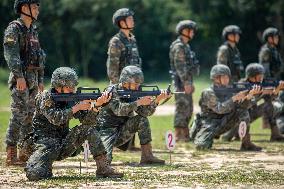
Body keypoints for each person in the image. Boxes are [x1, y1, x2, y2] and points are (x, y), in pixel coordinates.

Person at [25, 67, 123, 181]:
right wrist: (77, 107)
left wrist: (97, 106)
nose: (72, 90)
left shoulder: (72, 98)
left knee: (88, 130)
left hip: (64, 143)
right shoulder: (45, 97)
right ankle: (44, 165)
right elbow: (55, 119)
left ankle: (103, 168)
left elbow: (88, 122)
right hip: (45, 145)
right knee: (34, 174)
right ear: (58, 86)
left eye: (73, 86)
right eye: (69, 87)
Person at [96, 65, 170, 164]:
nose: (138, 86)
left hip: (122, 131)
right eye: (135, 84)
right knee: (105, 162)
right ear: (125, 82)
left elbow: (145, 113)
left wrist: (157, 100)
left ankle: (147, 156)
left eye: (139, 84)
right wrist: (139, 102)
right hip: (106, 132)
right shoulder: (111, 91)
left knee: (142, 120)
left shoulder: (135, 92)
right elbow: (119, 110)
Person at [4, 0, 46, 165]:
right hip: (20, 80)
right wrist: (19, 76)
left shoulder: (33, 30)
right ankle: (11, 154)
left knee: (30, 117)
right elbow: (11, 54)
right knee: (18, 116)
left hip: (34, 81)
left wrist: (41, 80)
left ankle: (25, 153)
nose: (37, 10)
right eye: (34, 7)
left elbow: (39, 57)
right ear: (24, 8)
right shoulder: (14, 28)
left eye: (37, 7)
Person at [190, 64, 262, 151]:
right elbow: (219, 109)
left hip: (224, 121)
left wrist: (249, 97)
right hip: (209, 124)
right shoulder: (208, 92)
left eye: (227, 77)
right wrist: (234, 98)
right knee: (201, 147)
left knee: (242, 111)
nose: (227, 80)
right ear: (215, 78)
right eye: (224, 77)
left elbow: (242, 107)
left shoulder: (230, 89)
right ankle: (201, 136)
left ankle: (246, 143)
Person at [106, 8, 142, 150]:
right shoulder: (116, 41)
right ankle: (116, 143)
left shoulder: (132, 40)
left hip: (133, 85)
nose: (132, 20)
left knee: (132, 111)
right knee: (121, 113)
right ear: (121, 22)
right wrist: (117, 88)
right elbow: (112, 68)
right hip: (121, 86)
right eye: (129, 18)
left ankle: (130, 144)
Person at [221, 63, 284, 141]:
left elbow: (269, 99)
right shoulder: (242, 85)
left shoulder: (261, 85)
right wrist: (250, 94)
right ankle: (234, 133)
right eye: (259, 75)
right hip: (237, 116)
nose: (262, 77)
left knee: (270, 106)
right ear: (252, 76)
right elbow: (237, 105)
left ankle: (276, 135)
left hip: (251, 113)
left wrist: (276, 90)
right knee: (226, 137)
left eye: (262, 74)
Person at [169, 20, 199, 142]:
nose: (193, 33)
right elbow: (180, 67)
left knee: (189, 108)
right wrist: (187, 83)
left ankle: (185, 134)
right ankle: (178, 134)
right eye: (191, 30)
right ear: (184, 31)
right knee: (182, 108)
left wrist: (190, 82)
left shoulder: (186, 46)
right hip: (181, 83)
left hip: (186, 82)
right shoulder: (179, 47)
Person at [259, 27, 284, 129]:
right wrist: (271, 83)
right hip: (269, 82)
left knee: (272, 105)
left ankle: (274, 130)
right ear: (269, 38)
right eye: (275, 37)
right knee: (269, 105)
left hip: (276, 80)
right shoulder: (266, 51)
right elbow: (265, 70)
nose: (277, 39)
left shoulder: (274, 51)